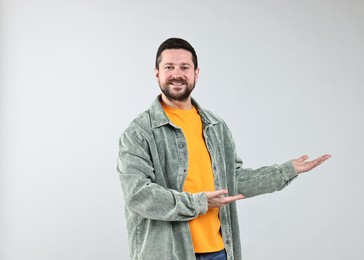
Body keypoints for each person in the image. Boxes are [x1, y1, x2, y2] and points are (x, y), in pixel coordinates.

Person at [116, 37, 331, 260]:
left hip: (219, 252)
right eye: (169, 67)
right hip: (166, 254)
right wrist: (199, 203)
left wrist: (286, 170)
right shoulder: (138, 133)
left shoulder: (215, 126)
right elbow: (137, 195)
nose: (176, 74)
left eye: (184, 67)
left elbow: (233, 182)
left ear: (196, 73)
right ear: (157, 73)